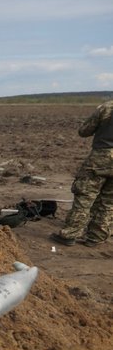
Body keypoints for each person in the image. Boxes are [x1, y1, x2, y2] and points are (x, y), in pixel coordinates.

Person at [51, 99, 113, 248]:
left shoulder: (107, 107)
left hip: (100, 158)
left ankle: (70, 234)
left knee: (84, 197)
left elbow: (84, 131)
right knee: (109, 202)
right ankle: (96, 237)